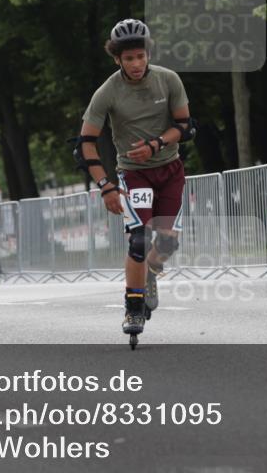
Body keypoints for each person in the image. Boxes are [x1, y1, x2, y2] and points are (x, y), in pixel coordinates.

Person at [75, 18, 196, 340]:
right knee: (139, 239)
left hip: (170, 171)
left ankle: (152, 273)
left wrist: (157, 143)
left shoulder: (168, 80)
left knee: (168, 240)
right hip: (134, 175)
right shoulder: (108, 92)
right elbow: (85, 143)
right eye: (128, 58)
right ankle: (133, 305)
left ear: (148, 53)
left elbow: (185, 126)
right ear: (117, 59)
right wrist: (106, 187)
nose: (136, 64)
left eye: (140, 56)